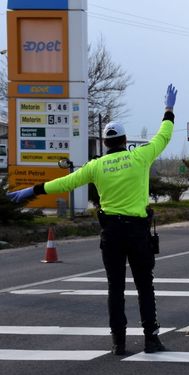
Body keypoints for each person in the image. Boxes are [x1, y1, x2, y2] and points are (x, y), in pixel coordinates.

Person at [8, 84, 178, 355]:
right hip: (137, 231)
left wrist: (32, 190)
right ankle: (151, 339)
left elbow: (64, 182)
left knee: (115, 288)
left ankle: (118, 343)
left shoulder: (95, 166)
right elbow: (164, 135)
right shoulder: (140, 156)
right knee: (145, 286)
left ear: (105, 142)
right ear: (124, 140)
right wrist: (168, 110)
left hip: (111, 233)